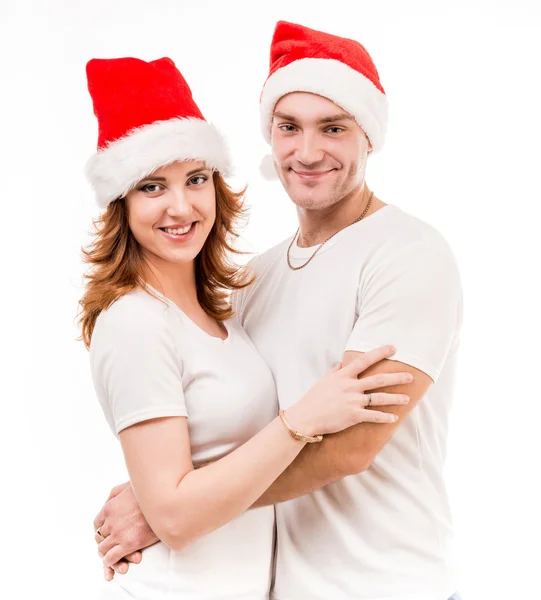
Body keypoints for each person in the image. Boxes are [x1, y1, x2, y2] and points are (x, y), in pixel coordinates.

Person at [93, 22, 463, 600]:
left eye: (333, 128)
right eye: (289, 128)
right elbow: (229, 436)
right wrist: (171, 500)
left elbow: (351, 446)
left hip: (385, 581)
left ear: (369, 136)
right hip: (276, 585)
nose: (307, 151)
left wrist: (165, 510)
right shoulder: (253, 280)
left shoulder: (408, 254)